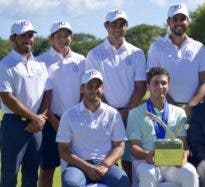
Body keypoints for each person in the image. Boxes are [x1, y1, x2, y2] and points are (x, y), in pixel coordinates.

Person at [85, 9, 147, 182]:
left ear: (127, 27)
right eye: (114, 24)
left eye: (122, 24)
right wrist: (111, 111)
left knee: (129, 160)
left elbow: (140, 87)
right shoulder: (94, 54)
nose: (118, 28)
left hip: (132, 113)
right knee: (108, 160)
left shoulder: (137, 53)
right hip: (103, 113)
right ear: (106, 26)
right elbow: (93, 87)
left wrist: (126, 110)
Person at [126, 67, 199, 187]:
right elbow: (134, 147)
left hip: (172, 163)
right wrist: (147, 155)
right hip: (147, 163)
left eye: (164, 83)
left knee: (190, 173)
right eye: (155, 83)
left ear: (168, 85)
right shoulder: (135, 113)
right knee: (148, 174)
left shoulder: (179, 112)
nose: (160, 87)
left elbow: (184, 145)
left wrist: (184, 156)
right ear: (148, 86)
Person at [0, 20, 52, 187]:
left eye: (30, 35)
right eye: (22, 35)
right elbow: (7, 96)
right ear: (12, 39)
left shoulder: (40, 64)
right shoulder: (4, 65)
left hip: (37, 127)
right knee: (9, 176)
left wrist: (40, 119)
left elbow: (48, 93)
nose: (27, 39)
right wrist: (34, 118)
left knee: (31, 176)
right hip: (13, 125)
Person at [56, 70, 129, 187]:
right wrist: (87, 167)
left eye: (98, 86)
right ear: (82, 88)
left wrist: (104, 165)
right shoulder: (69, 114)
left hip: (106, 165)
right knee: (71, 183)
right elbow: (63, 150)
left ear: (103, 88)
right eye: (89, 86)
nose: (94, 90)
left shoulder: (113, 114)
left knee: (122, 181)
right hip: (78, 166)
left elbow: (119, 146)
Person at [37, 21, 86, 187]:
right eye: (58, 35)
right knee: (47, 169)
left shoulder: (81, 61)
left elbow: (84, 92)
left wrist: (75, 119)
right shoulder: (40, 61)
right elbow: (42, 97)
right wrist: (54, 121)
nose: (63, 39)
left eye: (66, 35)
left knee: (74, 168)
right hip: (50, 123)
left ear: (71, 37)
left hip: (76, 122)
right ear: (51, 38)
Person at [147, 2, 205, 115]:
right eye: (174, 19)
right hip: (164, 108)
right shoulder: (156, 47)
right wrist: (174, 107)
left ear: (188, 21)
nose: (179, 22)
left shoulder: (199, 47)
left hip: (194, 109)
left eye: (182, 19)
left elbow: (204, 82)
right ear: (168, 22)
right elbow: (153, 81)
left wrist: (190, 106)